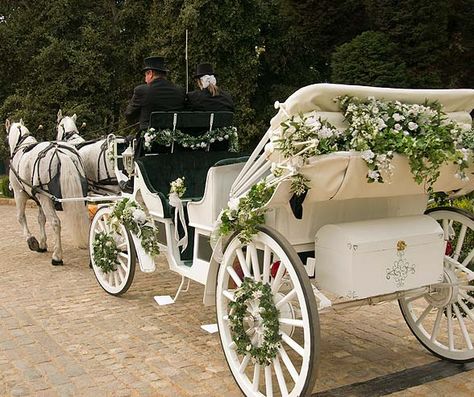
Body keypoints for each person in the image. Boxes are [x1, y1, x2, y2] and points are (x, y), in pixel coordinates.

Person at [124, 56, 186, 130]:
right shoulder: (180, 90)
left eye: (145, 75)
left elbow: (129, 114)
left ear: (150, 73)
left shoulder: (142, 90)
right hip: (175, 137)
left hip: (148, 137)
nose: (145, 80)